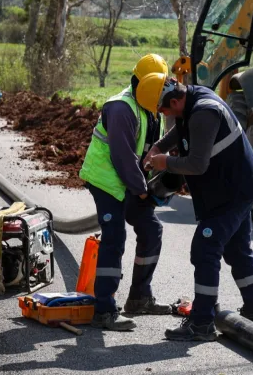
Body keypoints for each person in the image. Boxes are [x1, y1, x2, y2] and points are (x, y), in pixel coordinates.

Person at [139, 73, 253, 341]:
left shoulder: (204, 113)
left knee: (205, 249)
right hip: (235, 187)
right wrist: (159, 147)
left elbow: (197, 165)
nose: (163, 114)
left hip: (233, 192)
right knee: (237, 250)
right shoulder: (191, 101)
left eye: (162, 109)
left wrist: (165, 162)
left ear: (174, 101)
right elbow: (181, 131)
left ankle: (202, 323)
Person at [78, 54, 174, 331]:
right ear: (141, 82)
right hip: (107, 182)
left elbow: (147, 149)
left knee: (150, 229)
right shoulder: (122, 108)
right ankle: (104, 310)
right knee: (115, 236)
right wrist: (142, 191)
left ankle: (140, 298)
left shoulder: (148, 105)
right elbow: (122, 158)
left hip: (129, 181)